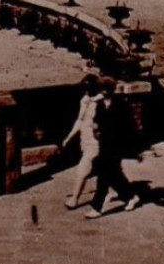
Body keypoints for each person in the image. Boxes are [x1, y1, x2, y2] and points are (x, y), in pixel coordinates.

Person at [84, 78, 142, 219]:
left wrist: (134, 147)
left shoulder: (121, 104)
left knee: (104, 172)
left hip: (118, 143)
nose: (104, 91)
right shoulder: (100, 104)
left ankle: (97, 207)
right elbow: (98, 120)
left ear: (112, 89)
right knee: (112, 173)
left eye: (107, 89)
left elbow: (130, 126)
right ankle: (130, 196)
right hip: (104, 143)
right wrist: (96, 128)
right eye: (102, 89)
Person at [60, 75, 102, 211]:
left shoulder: (102, 102)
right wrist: (69, 137)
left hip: (96, 141)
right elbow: (80, 120)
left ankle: (74, 199)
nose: (86, 93)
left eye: (89, 90)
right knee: (106, 168)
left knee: (82, 169)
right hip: (85, 140)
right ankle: (116, 191)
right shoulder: (85, 101)